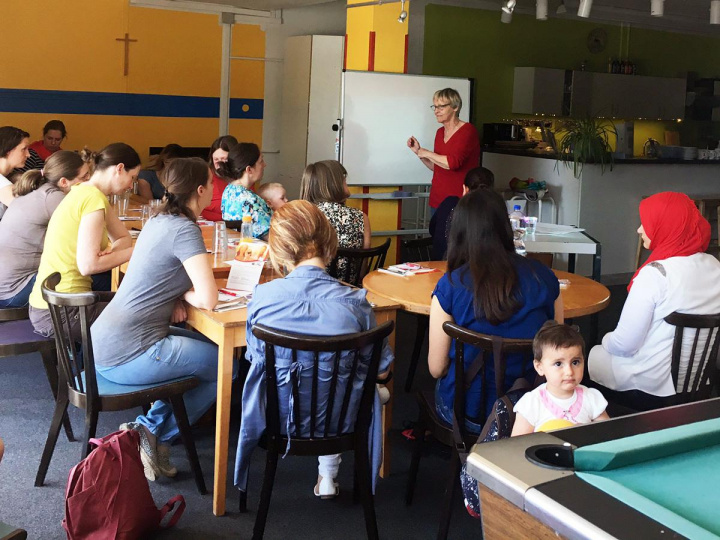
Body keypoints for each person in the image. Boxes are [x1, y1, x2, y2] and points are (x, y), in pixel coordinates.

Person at [235, 200, 393, 499]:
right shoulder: (356, 303)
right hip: (342, 421)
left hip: (277, 418)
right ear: (329, 243)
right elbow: (382, 369)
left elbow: (254, 362)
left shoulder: (262, 299)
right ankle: (328, 475)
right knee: (352, 383)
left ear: (279, 249)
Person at [93, 157, 219, 481]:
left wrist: (175, 295)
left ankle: (147, 430)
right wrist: (184, 296)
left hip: (105, 341)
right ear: (201, 190)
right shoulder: (185, 229)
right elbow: (207, 298)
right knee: (224, 367)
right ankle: (154, 434)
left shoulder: (157, 220)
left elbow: (157, 276)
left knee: (209, 349)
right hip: (130, 352)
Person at [428, 189, 562, 431]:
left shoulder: (450, 286)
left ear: (459, 232)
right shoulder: (545, 278)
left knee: (440, 382)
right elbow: (558, 349)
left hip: (467, 412)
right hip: (532, 411)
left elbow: (437, 368)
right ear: (505, 227)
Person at [588, 192, 720, 411]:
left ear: (666, 225)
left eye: (647, 222)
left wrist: (605, 340)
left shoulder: (656, 274)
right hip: (699, 383)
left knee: (589, 356)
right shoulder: (715, 267)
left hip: (650, 386)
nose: (639, 229)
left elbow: (625, 345)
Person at [28, 143, 139, 338]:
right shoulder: (92, 198)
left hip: (51, 303)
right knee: (148, 313)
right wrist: (139, 251)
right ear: (119, 169)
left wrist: (113, 253)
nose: (131, 185)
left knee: (135, 301)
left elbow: (123, 237)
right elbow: (88, 266)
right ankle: (90, 367)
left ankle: (90, 364)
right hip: (63, 309)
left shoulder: (83, 191)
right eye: (132, 178)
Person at [0, 150, 91, 308]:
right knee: (95, 277)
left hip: (6, 287)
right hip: (14, 292)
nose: (89, 181)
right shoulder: (54, 198)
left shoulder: (39, 191)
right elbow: (89, 234)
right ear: (64, 182)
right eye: (84, 178)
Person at [511, 322, 609, 436]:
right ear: (539, 367)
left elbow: (608, 437)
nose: (569, 372)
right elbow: (516, 446)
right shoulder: (531, 404)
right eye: (558, 364)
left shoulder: (592, 398)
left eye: (575, 362)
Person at [407, 88, 481, 212]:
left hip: (459, 201)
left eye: (441, 107)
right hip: (437, 200)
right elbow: (436, 167)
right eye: (434, 107)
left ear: (455, 107)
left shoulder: (468, 131)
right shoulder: (440, 132)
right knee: (437, 232)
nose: (436, 111)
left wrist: (426, 152)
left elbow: (452, 163)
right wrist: (419, 153)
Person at [429, 166, 494, 260]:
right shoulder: (489, 212)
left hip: (437, 265)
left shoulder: (449, 202)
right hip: (470, 268)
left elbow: (432, 230)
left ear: (465, 188)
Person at [219, 142, 271, 238]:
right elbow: (269, 236)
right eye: (261, 161)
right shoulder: (248, 200)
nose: (265, 165)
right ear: (249, 169)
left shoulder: (229, 190)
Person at [201, 135, 237, 221]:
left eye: (224, 159)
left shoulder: (244, 176)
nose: (220, 164)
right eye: (216, 160)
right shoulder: (207, 175)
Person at [0, 126, 30, 220]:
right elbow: (27, 210)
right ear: (9, 150)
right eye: (24, 149)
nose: (28, 155)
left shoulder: (11, 177)